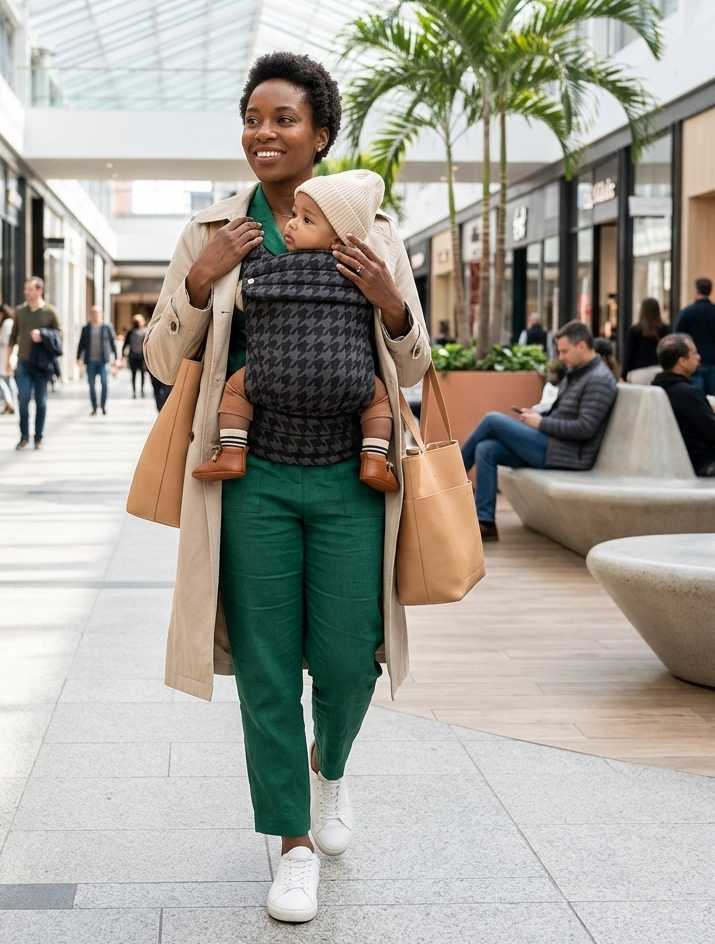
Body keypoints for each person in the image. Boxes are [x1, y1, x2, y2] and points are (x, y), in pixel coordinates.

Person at [143, 52, 430, 924]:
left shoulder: (374, 234)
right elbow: (161, 359)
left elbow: (415, 365)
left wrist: (391, 304)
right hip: (251, 480)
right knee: (267, 669)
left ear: (323, 136)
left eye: (284, 120)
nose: (263, 134)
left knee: (348, 663)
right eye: (253, 118)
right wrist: (198, 284)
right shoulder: (212, 232)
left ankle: (330, 766)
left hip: (354, 478)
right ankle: (291, 842)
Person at [192, 169, 398, 493]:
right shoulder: (359, 275)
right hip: (348, 378)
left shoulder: (268, 269)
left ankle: (231, 451)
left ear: (339, 239)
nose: (291, 223)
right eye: (294, 215)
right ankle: (374, 457)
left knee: (235, 389)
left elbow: (241, 299)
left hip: (271, 376)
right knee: (378, 399)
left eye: (306, 220)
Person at [461, 320, 618, 541]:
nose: (560, 357)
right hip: (553, 444)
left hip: (567, 454)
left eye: (564, 351)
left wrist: (541, 424)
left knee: (492, 420)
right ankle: (485, 522)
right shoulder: (578, 373)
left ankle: (449, 481)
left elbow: (585, 428)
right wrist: (537, 417)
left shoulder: (599, 380)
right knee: (487, 449)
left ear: (581, 346)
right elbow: (561, 415)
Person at [6, 277, 61, 450]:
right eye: (25, 289)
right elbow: (13, 336)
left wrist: (43, 334)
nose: (26, 292)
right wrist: (9, 359)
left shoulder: (50, 312)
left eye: (29, 289)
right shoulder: (20, 311)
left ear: (39, 291)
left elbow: (59, 335)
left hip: (42, 364)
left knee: (41, 402)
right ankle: (24, 436)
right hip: (24, 362)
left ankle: (38, 437)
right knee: (23, 400)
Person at [652, 334, 715, 477]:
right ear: (682, 362)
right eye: (694, 353)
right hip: (703, 462)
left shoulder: (657, 388)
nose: (698, 357)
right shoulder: (687, 394)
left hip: (678, 461)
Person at [675, 277, 715, 396]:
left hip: (693, 362)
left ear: (696, 291)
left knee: (696, 397)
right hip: (713, 362)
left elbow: (678, 337)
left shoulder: (687, 312)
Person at [76, 306, 116, 416]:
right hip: (90, 361)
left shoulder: (107, 327)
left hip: (103, 360)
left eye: (97, 313)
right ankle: (94, 407)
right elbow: (81, 344)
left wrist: (116, 358)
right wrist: (78, 357)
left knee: (104, 383)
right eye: (93, 313)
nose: (96, 315)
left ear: (101, 314)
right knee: (91, 384)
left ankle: (103, 406)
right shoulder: (86, 328)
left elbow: (112, 343)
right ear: (90, 315)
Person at [622, 297, 670, 382]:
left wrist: (624, 375)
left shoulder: (635, 330)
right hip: (659, 371)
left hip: (638, 372)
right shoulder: (664, 329)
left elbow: (629, 355)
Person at [0, 304, 16, 414]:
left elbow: (6, 341)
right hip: (6, 355)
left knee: (1, 379)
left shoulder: (7, 323)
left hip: (5, 355)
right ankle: (9, 403)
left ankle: (9, 401)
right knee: (8, 380)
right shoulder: (9, 323)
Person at [121, 314, 148, 398]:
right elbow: (126, 343)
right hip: (133, 356)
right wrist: (123, 354)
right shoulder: (130, 332)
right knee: (133, 374)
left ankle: (142, 390)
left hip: (142, 357)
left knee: (143, 375)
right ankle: (134, 391)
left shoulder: (146, 331)